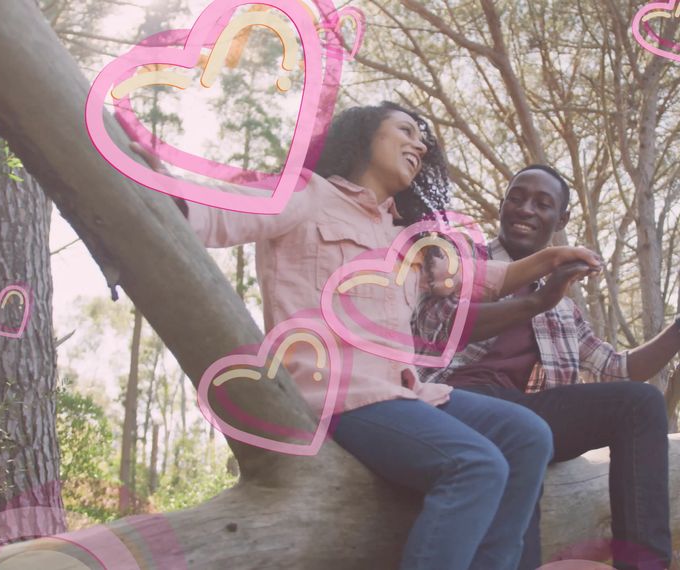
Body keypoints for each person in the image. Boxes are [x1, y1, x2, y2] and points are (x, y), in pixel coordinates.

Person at [137, 105, 602, 570]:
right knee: (476, 465)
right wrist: (164, 186)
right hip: (335, 393)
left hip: (405, 394)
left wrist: (552, 259)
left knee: (528, 435)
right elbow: (225, 211)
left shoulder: (407, 237)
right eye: (405, 131)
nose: (419, 144)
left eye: (423, 141)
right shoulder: (307, 193)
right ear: (364, 136)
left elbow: (484, 276)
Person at [414, 164, 680, 570]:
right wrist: (534, 299)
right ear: (502, 205)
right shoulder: (461, 260)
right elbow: (437, 326)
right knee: (519, 441)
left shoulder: (563, 308)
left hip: (524, 413)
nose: (525, 209)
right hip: (452, 401)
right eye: (516, 197)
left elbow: (620, 367)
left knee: (639, 403)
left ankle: (645, 563)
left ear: (561, 219)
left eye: (542, 203)